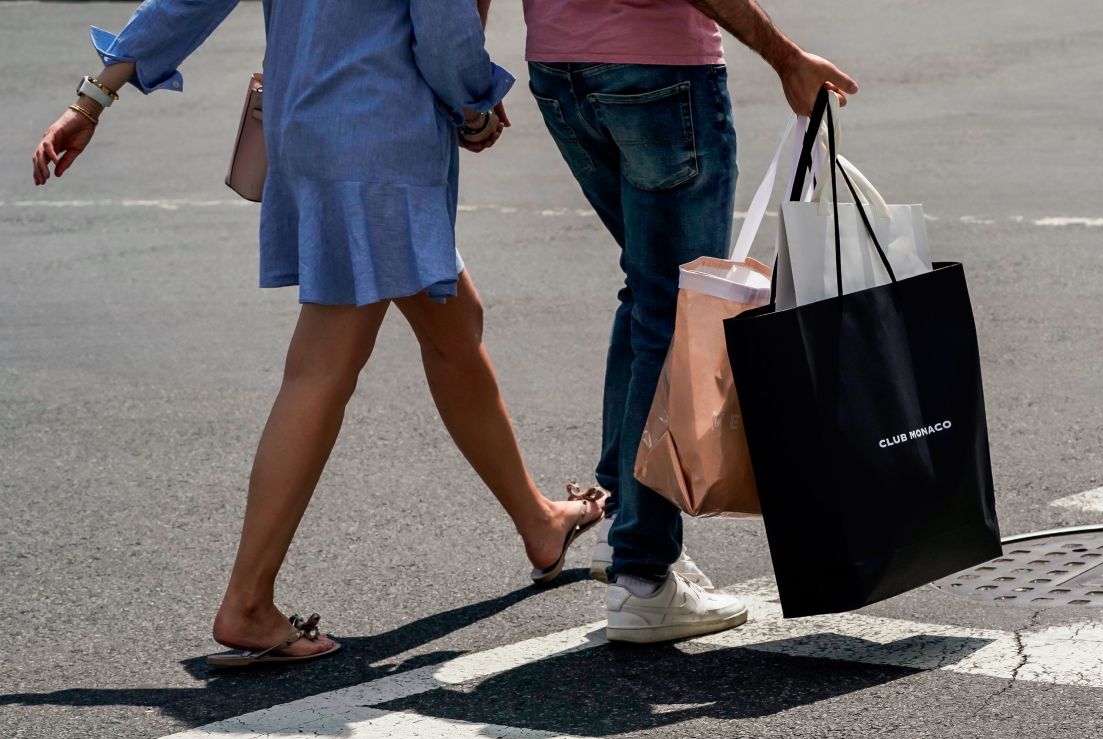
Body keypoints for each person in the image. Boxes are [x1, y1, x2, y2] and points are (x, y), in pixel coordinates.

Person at [31, 0, 606, 666]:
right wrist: (472, 107)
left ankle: (538, 522)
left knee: (454, 323)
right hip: (376, 140)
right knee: (321, 367)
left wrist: (94, 97)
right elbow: (446, 33)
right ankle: (247, 602)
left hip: (305, 125)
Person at [518, 0, 859, 642]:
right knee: (672, 312)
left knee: (650, 296)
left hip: (559, 66)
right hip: (656, 69)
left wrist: (469, 81)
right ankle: (642, 577)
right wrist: (786, 57)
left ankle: (625, 531)